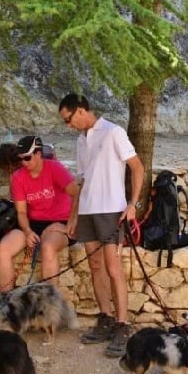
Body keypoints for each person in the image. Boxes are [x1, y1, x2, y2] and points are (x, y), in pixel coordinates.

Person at [58, 93, 144, 357]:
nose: (69, 125)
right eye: (66, 122)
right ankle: (105, 318)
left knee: (113, 267)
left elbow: (137, 167)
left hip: (111, 209)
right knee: (95, 265)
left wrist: (133, 204)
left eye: (69, 119)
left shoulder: (113, 132)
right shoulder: (80, 141)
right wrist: (73, 216)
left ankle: (122, 324)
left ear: (82, 110)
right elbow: (81, 180)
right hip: (87, 210)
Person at [0, 135, 79, 291]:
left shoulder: (55, 168)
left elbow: (76, 193)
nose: (23, 163)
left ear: (39, 154)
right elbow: (21, 211)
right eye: (21, 159)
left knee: (48, 247)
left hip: (59, 221)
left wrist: (71, 222)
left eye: (27, 158)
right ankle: (6, 301)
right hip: (32, 222)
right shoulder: (19, 177)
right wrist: (27, 232)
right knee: (3, 249)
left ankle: (50, 303)